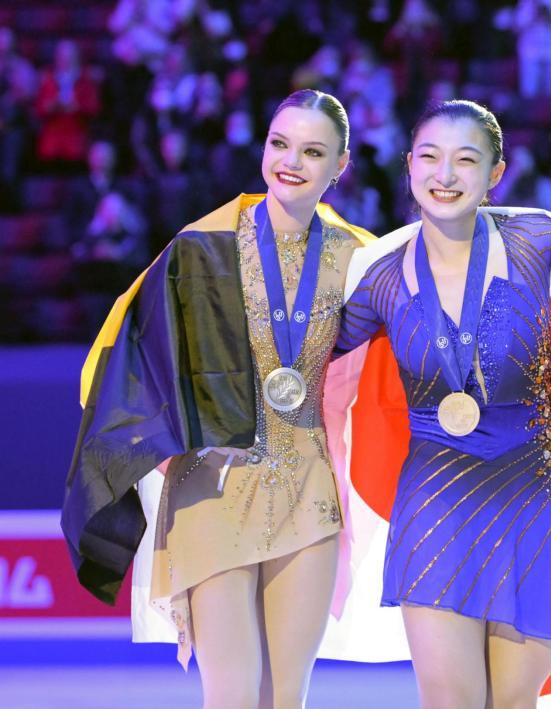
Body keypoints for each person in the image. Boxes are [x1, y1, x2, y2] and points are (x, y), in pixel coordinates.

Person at [61, 89, 375, 708]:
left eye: (313, 152)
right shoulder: (200, 248)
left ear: (341, 165)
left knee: (286, 698)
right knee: (231, 697)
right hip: (212, 485)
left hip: (308, 488)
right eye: (280, 144)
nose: (291, 162)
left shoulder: (360, 259)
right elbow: (134, 364)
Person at [334, 99, 551, 708]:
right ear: (409, 166)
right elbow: (303, 359)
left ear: (496, 173)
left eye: (465, 160)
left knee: (513, 703)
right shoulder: (383, 279)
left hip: (533, 498)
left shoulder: (534, 239)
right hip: (435, 506)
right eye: (430, 157)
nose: (445, 175)